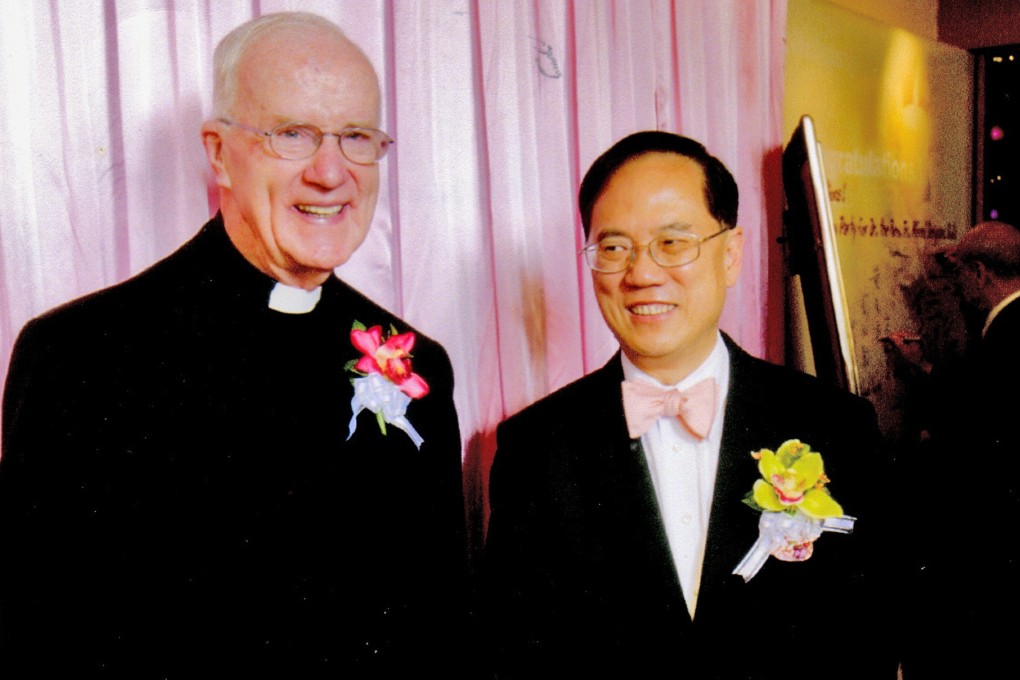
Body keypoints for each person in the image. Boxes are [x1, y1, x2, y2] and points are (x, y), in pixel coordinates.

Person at [0, 12, 471, 678]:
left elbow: (437, 637)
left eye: (357, 137)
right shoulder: (76, 354)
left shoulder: (417, 364)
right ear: (219, 152)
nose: (331, 172)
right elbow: (38, 639)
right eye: (293, 135)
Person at [482, 131, 898, 679]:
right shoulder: (534, 447)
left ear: (730, 255)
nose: (641, 273)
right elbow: (514, 660)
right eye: (613, 247)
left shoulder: (835, 424)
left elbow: (870, 638)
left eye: (673, 243)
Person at [894, 220, 1020, 678]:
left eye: (961, 273)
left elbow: (978, 426)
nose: (956, 284)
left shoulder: (1007, 334)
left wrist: (924, 377)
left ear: (982, 273)